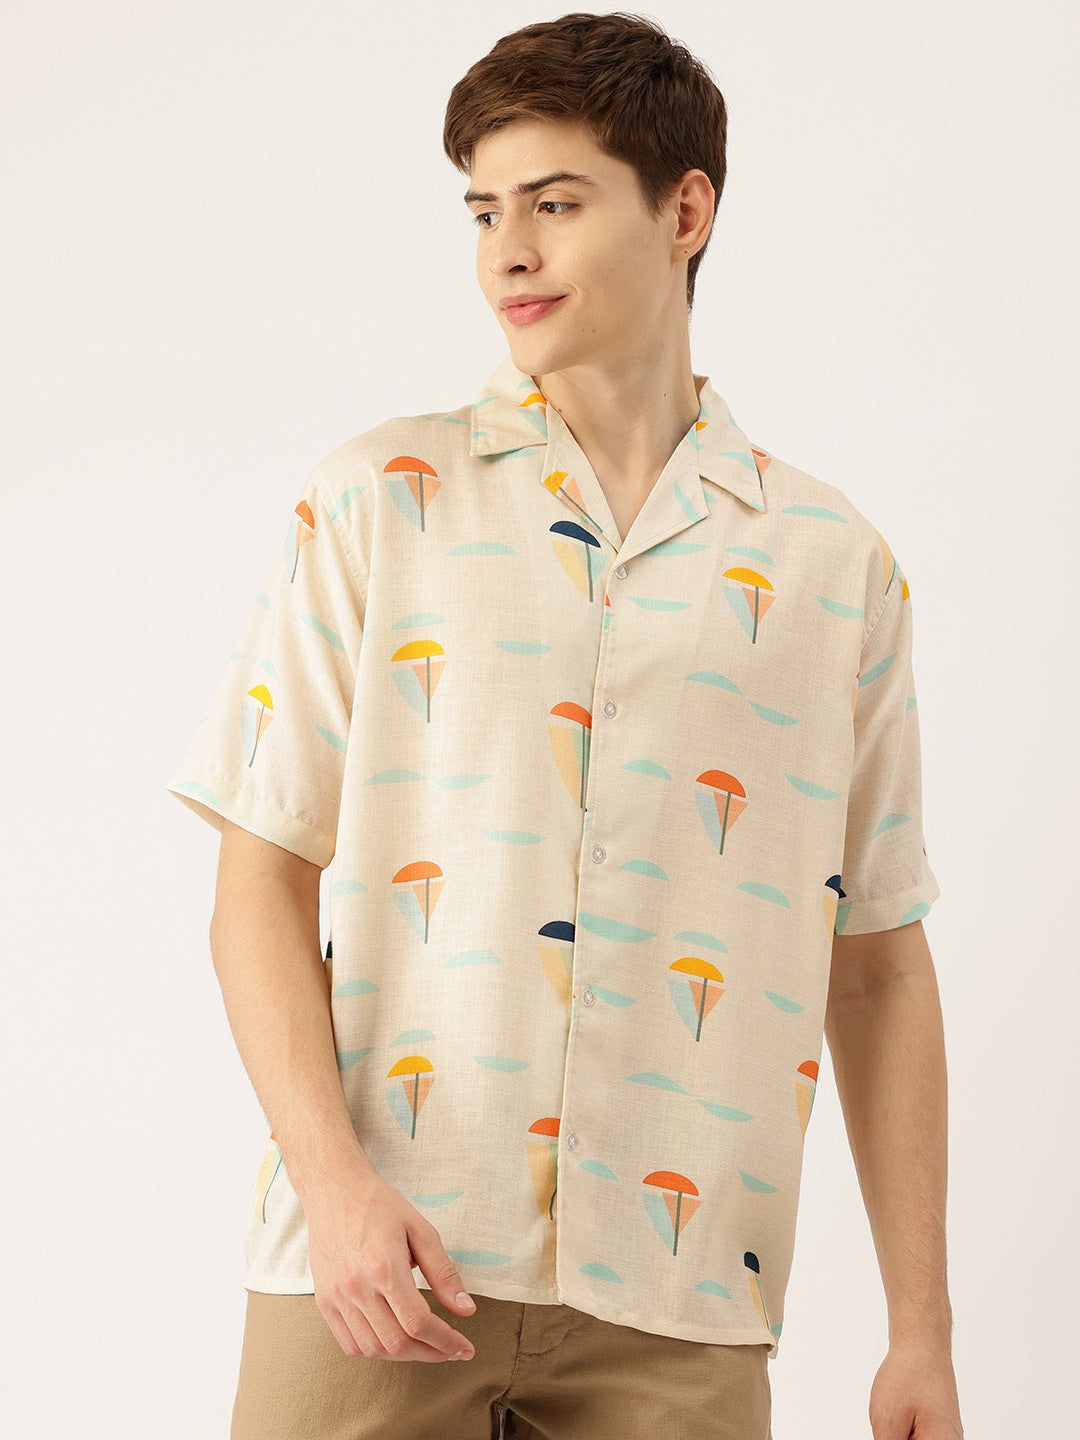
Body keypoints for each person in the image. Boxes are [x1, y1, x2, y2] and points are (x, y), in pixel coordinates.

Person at [166, 12, 964, 1439]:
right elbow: (257, 884)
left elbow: (881, 966)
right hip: (376, 1271)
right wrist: (337, 1194)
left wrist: (922, 1332)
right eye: (485, 212)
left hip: (679, 1310)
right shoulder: (377, 502)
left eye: (555, 203)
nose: (508, 254)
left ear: (685, 212)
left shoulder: (834, 569)